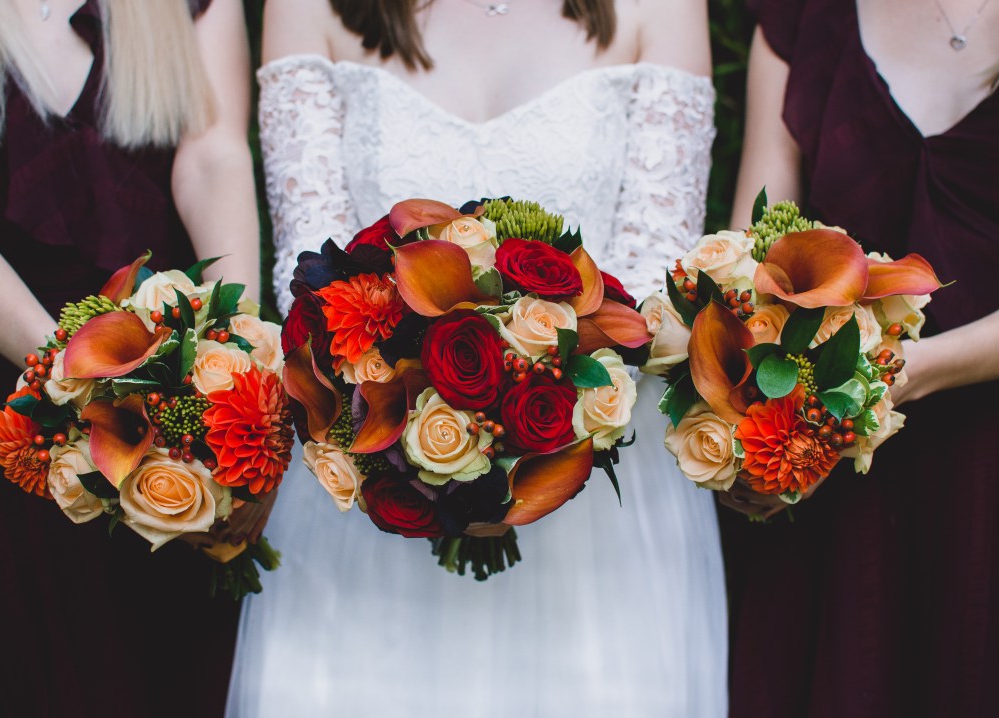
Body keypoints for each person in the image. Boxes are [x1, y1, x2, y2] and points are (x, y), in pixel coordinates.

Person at [226, 1, 727, 715]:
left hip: (591, 497)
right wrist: (432, 428)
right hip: (375, 474)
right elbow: (310, 272)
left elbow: (654, 292)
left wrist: (518, 431)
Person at [0, 0, 263, 715]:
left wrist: (233, 365)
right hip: (8, 414)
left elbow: (213, 154)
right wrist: (84, 383)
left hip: (176, 401)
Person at [720, 0, 999, 715]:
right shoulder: (802, 16)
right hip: (832, 475)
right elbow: (755, 251)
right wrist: (740, 418)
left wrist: (909, 372)